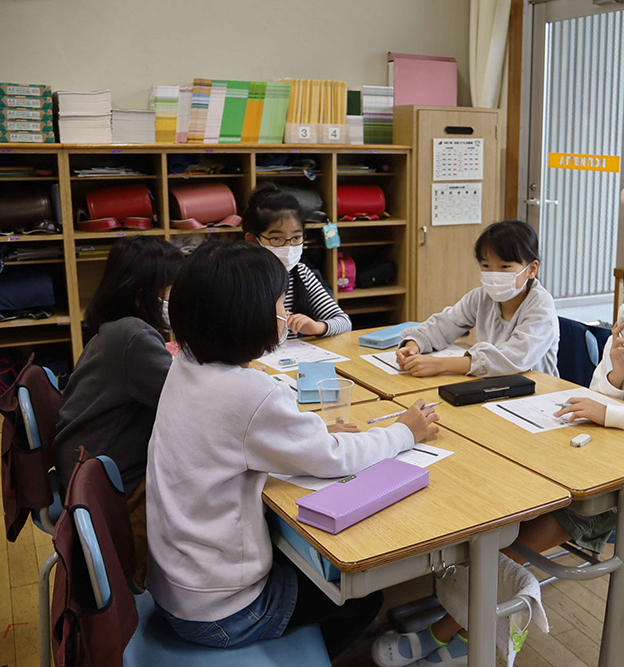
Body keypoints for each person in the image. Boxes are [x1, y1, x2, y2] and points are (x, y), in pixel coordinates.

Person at [372, 242, 624, 667]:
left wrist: (613, 410)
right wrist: (615, 376)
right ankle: (464, 615)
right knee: (496, 519)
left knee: (511, 551)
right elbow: (595, 401)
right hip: (590, 465)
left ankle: (451, 634)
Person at [145, 241, 439, 659]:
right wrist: (404, 431)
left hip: (177, 585)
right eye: (281, 305)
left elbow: (244, 441)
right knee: (364, 595)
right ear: (248, 317)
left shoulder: (186, 363)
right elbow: (333, 459)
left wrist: (309, 436)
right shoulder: (248, 393)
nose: (285, 315)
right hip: (222, 612)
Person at [53, 236, 183, 586]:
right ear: (143, 294)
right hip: (108, 486)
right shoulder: (134, 337)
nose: (183, 299)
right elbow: (190, 401)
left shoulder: (118, 329)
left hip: (86, 469)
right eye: (174, 290)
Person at [396, 220, 559, 378]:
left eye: (505, 267)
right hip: (490, 383)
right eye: (486, 266)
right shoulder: (481, 297)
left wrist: (440, 365)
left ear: (531, 269)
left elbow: (512, 359)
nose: (495, 275)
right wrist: (413, 346)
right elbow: (443, 325)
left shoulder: (541, 306)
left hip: (535, 392)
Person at [242, 183, 350, 337]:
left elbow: (344, 321)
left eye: (296, 238)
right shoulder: (240, 277)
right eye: (277, 238)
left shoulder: (301, 273)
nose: (288, 246)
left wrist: (317, 327)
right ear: (253, 240)